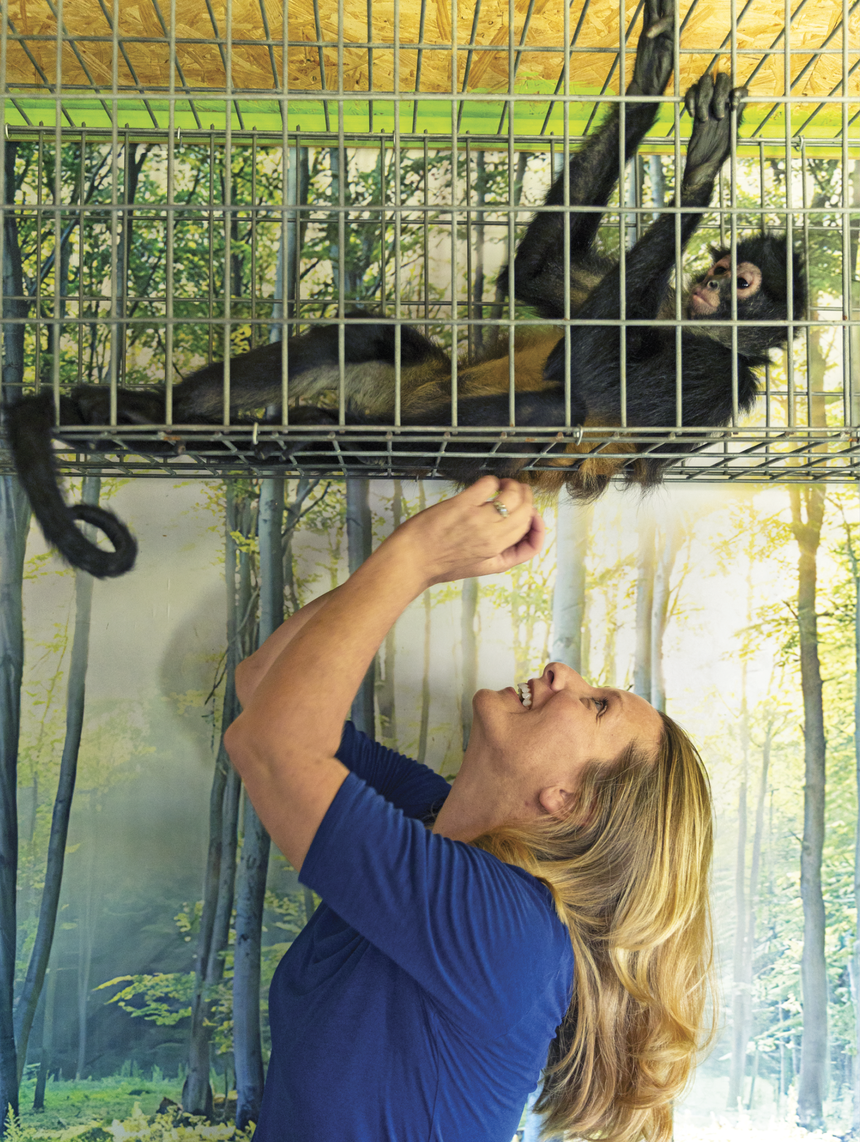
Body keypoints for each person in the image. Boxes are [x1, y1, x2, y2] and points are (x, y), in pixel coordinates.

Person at [225, 476, 715, 1142]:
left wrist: (417, 558)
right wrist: (414, 567)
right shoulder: (437, 818)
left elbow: (271, 747)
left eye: (597, 704)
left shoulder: (512, 931)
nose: (560, 673)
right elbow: (265, 688)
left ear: (572, 802)